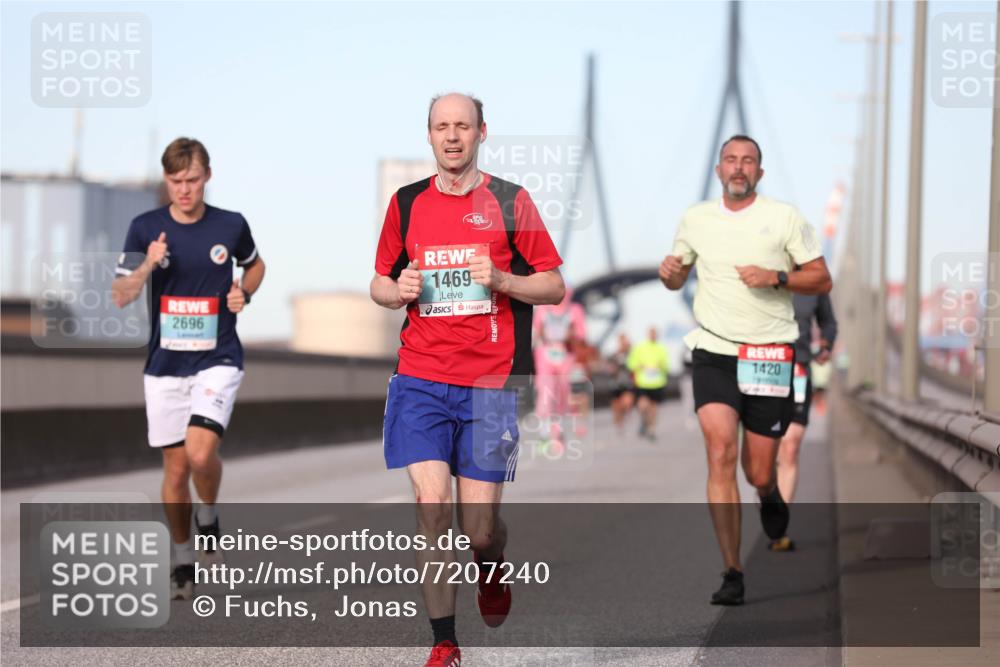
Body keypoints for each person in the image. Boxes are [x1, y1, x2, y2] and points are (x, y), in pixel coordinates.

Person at [370, 93, 564, 667]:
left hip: (489, 384)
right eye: (440, 127)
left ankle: (491, 562)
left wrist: (502, 278)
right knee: (432, 509)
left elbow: (552, 285)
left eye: (462, 126)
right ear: (428, 136)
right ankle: (444, 643)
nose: (451, 136)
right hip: (421, 378)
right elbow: (379, 283)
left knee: (478, 531)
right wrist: (398, 290)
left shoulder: (511, 201)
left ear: (483, 132)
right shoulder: (406, 204)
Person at [659, 134, 832, 605]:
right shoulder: (695, 218)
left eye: (748, 161)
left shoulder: (784, 218)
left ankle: (769, 491)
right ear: (719, 170)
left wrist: (776, 276)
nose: (739, 168)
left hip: (769, 354)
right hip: (714, 350)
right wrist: (670, 272)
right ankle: (732, 570)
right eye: (731, 160)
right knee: (719, 453)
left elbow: (821, 277)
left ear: (759, 172)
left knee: (757, 471)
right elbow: (677, 278)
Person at [112, 137, 265, 600]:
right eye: (176, 182)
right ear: (167, 181)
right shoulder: (145, 229)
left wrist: (245, 292)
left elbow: (256, 267)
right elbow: (120, 295)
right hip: (164, 367)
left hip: (217, 358)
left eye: (192, 180)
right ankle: (182, 555)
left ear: (207, 177)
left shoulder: (230, 225)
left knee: (201, 455)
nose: (184, 190)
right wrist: (148, 267)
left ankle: (209, 515)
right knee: (176, 471)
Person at [771, 292, 837, 551]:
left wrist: (826, 345)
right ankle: (767, 491)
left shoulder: (813, 282)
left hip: (798, 368)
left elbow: (829, 322)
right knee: (766, 451)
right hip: (763, 368)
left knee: (790, 445)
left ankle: (778, 527)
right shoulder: (761, 268)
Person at [533, 289, 586, 454]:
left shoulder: (575, 310)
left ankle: (558, 434)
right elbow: (535, 332)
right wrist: (541, 333)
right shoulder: (542, 309)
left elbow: (582, 334)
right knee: (546, 395)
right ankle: (544, 435)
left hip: (566, 355)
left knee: (562, 396)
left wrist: (572, 334)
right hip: (545, 354)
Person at [626, 327, 670, 441]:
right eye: (651, 333)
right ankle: (644, 421)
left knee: (654, 408)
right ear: (648, 334)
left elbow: (666, 365)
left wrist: (659, 366)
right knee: (642, 405)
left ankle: (652, 429)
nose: (653, 335)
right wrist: (640, 366)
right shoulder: (640, 347)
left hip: (657, 382)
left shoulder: (661, 348)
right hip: (643, 382)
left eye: (655, 333)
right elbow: (631, 363)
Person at [608, 333, 636, 433]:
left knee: (627, 402)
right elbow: (609, 368)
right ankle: (619, 424)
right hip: (615, 384)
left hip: (627, 383)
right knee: (616, 407)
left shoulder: (631, 354)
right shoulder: (614, 355)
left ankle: (626, 414)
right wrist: (612, 369)